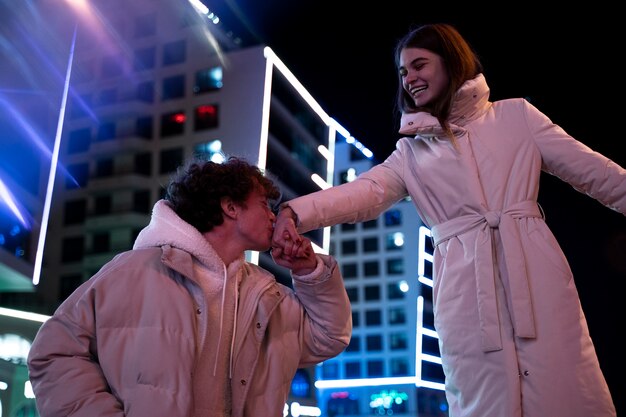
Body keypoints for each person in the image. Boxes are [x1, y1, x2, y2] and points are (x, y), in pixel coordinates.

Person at [272, 23, 624, 417]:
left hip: (537, 275)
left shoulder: (516, 117)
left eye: (419, 65)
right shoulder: (410, 154)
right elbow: (362, 194)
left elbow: (598, 174)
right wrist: (294, 212)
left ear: (451, 62)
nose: (410, 80)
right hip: (464, 291)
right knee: (482, 399)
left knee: (567, 388)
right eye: (403, 73)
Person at [27, 156, 352, 417]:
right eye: (264, 204)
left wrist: (308, 271)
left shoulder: (266, 296)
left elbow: (328, 338)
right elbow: (52, 352)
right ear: (231, 207)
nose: (274, 216)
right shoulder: (134, 271)